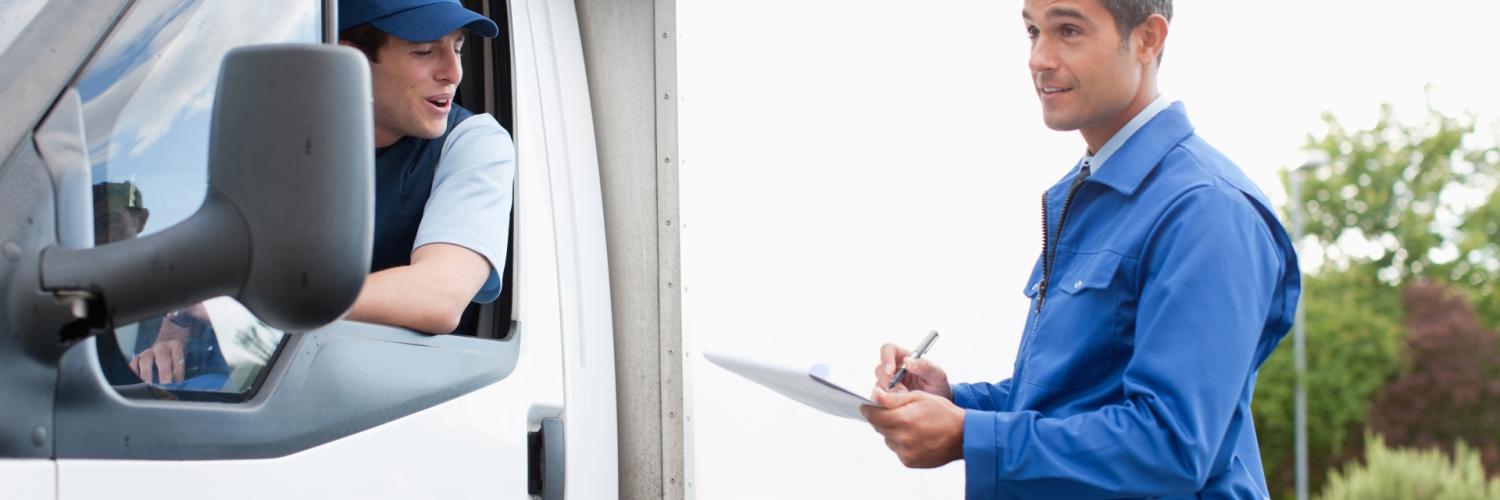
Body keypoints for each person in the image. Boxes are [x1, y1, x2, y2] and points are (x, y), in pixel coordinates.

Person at [860, 1, 1301, 498]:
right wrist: (956, 402)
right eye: (1032, 32)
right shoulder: (1091, 192)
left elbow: (1171, 446)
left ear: (1148, 39)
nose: (1038, 58)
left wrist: (970, 435)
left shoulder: (1207, 211)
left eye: (1068, 31)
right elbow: (1073, 399)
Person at [128, 0, 515, 384]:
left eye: (457, 47)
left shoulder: (474, 143)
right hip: (265, 380)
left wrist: (244, 306)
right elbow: (222, 255)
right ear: (352, 65)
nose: (453, 72)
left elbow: (439, 295)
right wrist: (177, 330)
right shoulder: (283, 141)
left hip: (395, 403)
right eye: (425, 51)